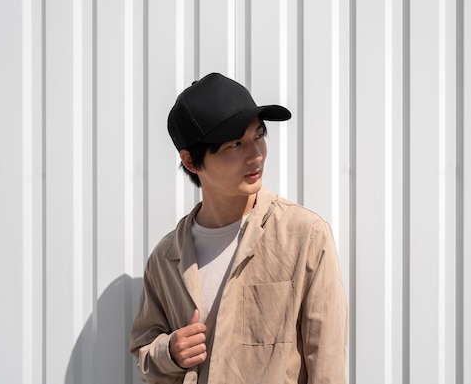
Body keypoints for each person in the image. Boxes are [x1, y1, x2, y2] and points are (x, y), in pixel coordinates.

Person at [130, 72, 348, 384]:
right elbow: (144, 351)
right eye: (235, 143)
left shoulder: (305, 236)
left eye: (259, 136)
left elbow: (326, 362)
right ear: (191, 161)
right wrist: (170, 353)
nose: (256, 154)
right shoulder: (166, 258)